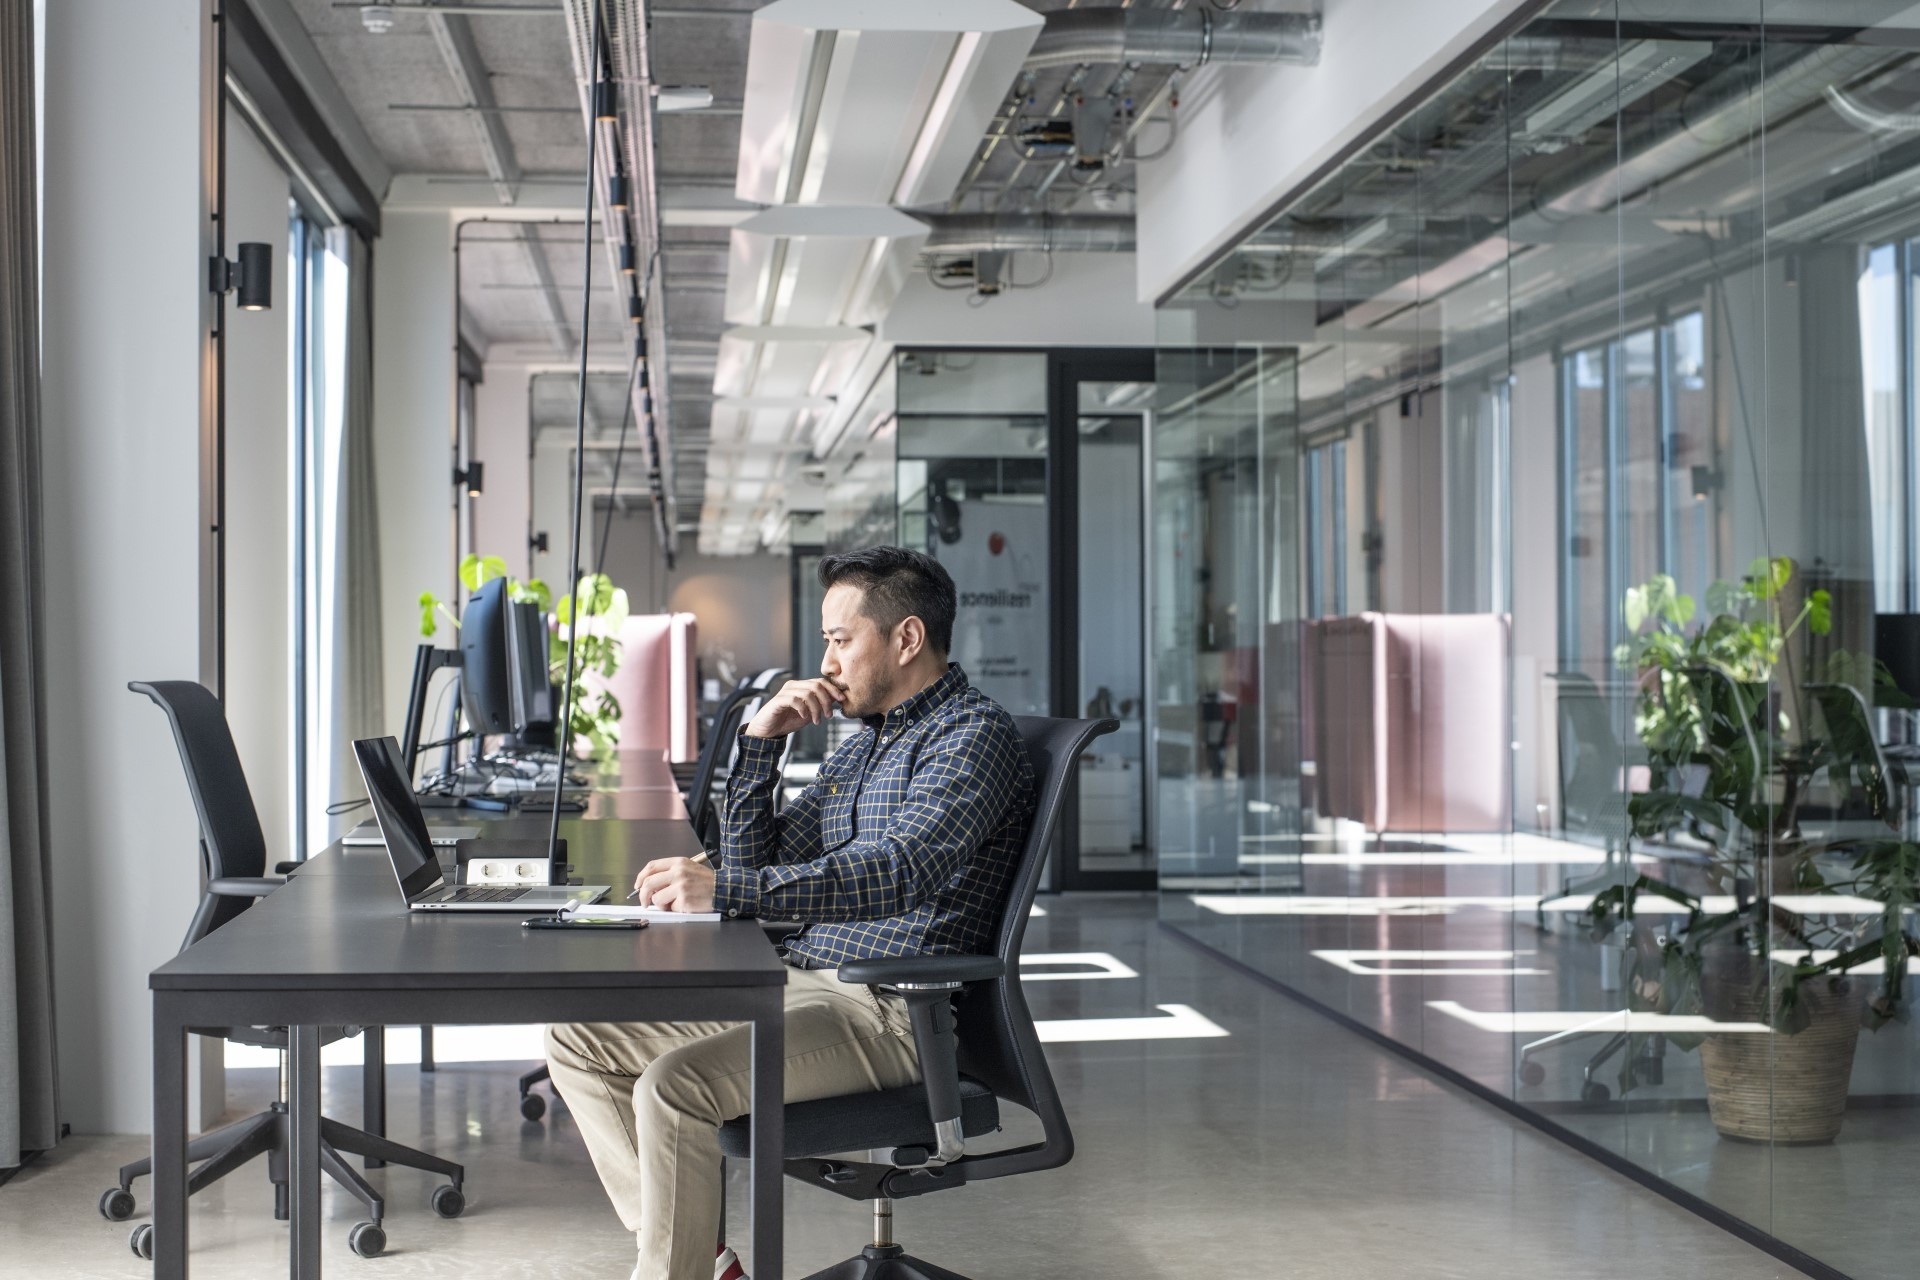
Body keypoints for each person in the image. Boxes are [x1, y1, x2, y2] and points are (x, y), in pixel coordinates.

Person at [545, 546, 1037, 1280]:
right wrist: (760, 747)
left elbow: (902, 870)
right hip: (805, 983)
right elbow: (754, 862)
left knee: (673, 1089)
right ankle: (703, 1263)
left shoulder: (972, 738)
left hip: (893, 1010)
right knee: (577, 1038)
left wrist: (732, 893)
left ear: (906, 638)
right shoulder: (866, 742)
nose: (827, 661)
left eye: (841, 639)